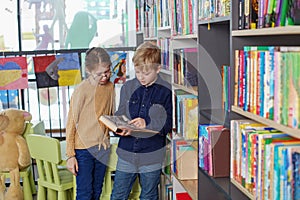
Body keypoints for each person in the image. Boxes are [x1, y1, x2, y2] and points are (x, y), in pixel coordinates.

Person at [110, 42, 173, 200]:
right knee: (118, 194)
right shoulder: (128, 88)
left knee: (149, 196)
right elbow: (120, 113)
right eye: (138, 72)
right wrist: (117, 126)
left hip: (152, 155)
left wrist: (147, 123)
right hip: (126, 153)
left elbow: (169, 124)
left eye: (146, 73)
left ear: (157, 69)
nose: (141, 77)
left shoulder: (166, 91)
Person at [65, 47, 115, 200]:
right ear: (88, 70)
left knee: (96, 191)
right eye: (99, 74)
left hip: (102, 148)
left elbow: (109, 115)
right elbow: (71, 123)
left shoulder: (110, 87)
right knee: (85, 194)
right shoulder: (82, 90)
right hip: (83, 150)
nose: (104, 77)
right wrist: (70, 156)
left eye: (107, 71)